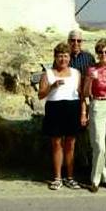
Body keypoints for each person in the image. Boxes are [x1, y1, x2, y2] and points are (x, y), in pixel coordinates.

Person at [38, 42, 84, 190]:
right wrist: (52, 86)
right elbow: (40, 95)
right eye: (60, 56)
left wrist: (83, 113)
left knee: (70, 144)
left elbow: (82, 95)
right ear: (55, 57)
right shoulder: (48, 73)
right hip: (55, 108)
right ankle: (57, 178)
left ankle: (70, 177)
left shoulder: (76, 73)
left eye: (65, 56)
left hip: (73, 107)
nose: (63, 59)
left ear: (69, 57)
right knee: (56, 144)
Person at [82, 38, 106, 193]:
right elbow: (85, 92)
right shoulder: (92, 69)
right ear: (97, 54)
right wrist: (90, 79)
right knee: (98, 143)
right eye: (100, 52)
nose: (104, 54)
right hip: (98, 103)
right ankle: (95, 179)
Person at [67, 29, 95, 169]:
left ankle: (88, 164)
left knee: (87, 132)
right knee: (72, 134)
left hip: (87, 99)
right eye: (73, 40)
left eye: (79, 40)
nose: (76, 43)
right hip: (70, 99)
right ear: (68, 42)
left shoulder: (89, 58)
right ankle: (74, 165)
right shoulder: (64, 57)